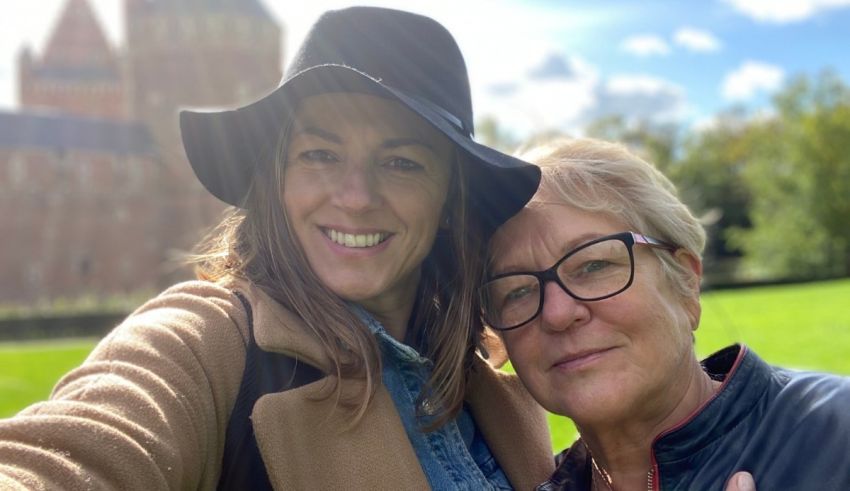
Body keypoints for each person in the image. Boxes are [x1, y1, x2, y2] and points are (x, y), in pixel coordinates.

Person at [0, 7, 555, 490]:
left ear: (448, 203)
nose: (356, 197)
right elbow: (71, 453)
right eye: (319, 154)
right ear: (277, 180)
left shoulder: (498, 387)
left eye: (401, 163)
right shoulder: (207, 344)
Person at [480, 137, 850, 490]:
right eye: (518, 291)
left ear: (686, 283)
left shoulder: (835, 435)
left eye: (593, 265)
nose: (557, 313)